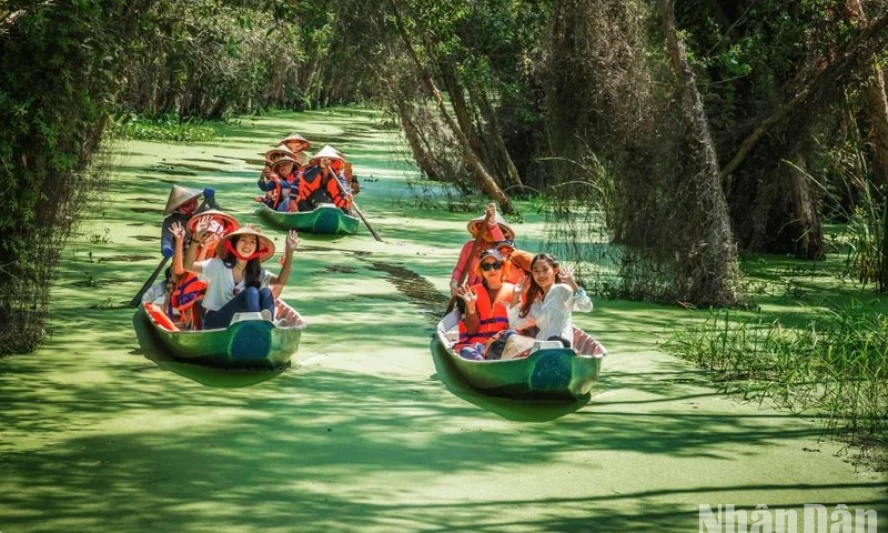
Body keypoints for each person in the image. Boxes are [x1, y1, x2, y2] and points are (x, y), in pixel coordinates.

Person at [171, 219, 299, 330]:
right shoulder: (217, 266)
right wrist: (195, 239)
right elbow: (187, 266)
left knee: (265, 292)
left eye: (253, 242)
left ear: (257, 249)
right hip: (216, 323)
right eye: (243, 240)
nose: (247, 245)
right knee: (252, 292)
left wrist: (290, 253)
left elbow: (281, 281)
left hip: (243, 324)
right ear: (234, 244)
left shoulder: (258, 272)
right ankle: (258, 326)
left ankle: (265, 326)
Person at [505, 253, 593, 352]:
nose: (541, 275)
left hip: (561, 346)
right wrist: (516, 296)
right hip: (541, 349)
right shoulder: (537, 305)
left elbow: (586, 307)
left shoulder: (562, 290)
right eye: (536, 271)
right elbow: (515, 324)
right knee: (510, 337)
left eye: (545, 270)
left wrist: (572, 283)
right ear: (532, 274)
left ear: (555, 270)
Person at [452, 249, 515, 360]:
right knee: (468, 352)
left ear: (503, 267)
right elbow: (471, 330)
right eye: (486, 266)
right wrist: (471, 308)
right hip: (476, 346)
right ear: (481, 270)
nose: (492, 270)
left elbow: (519, 327)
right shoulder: (472, 292)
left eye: (496, 265)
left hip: (502, 345)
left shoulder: (515, 292)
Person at [449, 203, 515, 295]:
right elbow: (459, 269)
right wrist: (454, 284)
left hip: (494, 293)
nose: (487, 232)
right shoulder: (470, 246)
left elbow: (503, 243)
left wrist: (493, 225)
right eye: (485, 227)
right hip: (470, 292)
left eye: (490, 228)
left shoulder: (501, 249)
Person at [160, 184, 220, 260]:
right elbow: (166, 237)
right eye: (187, 203)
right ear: (178, 206)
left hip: (204, 252)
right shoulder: (171, 221)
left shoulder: (202, 211)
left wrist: (211, 199)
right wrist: (166, 247)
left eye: (193, 201)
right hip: (183, 256)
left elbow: (216, 210)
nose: (191, 204)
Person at [295, 145, 352, 213]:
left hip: (330, 205)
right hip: (306, 204)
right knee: (320, 194)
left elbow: (344, 185)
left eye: (330, 160)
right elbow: (307, 178)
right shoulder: (310, 170)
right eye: (324, 160)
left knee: (344, 206)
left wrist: (347, 193)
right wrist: (320, 167)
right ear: (318, 161)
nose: (327, 163)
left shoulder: (338, 174)